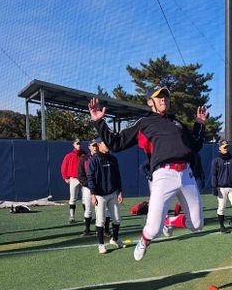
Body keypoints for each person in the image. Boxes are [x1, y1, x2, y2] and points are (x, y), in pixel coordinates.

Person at [87, 85, 208, 261]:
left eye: (166, 95)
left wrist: (200, 124)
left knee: (197, 224)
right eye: (159, 96)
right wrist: (99, 122)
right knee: (153, 230)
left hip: (186, 174)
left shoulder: (177, 122)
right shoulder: (145, 123)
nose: (163, 98)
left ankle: (169, 221)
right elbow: (116, 143)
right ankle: (144, 241)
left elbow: (195, 145)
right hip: (164, 175)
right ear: (150, 102)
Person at [86, 139, 124, 254]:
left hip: (112, 193)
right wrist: (93, 194)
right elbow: (90, 178)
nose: (107, 145)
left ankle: (115, 239)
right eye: (104, 143)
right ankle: (101, 245)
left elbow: (117, 176)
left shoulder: (113, 159)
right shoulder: (94, 160)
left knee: (117, 219)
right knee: (100, 220)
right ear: (99, 145)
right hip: (99, 195)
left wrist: (120, 191)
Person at [211, 140, 232, 233]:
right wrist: (214, 187)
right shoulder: (216, 160)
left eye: (227, 146)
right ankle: (221, 226)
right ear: (219, 148)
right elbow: (213, 175)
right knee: (221, 207)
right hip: (221, 187)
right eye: (224, 147)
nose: (226, 148)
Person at [61, 138, 86, 223]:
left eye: (80, 143)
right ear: (74, 145)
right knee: (72, 198)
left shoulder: (84, 155)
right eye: (77, 143)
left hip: (83, 178)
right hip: (74, 178)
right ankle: (72, 217)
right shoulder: (69, 155)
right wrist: (65, 177)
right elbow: (64, 167)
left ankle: (86, 216)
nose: (79, 145)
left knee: (85, 198)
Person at [77, 139, 98, 236]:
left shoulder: (102, 157)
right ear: (89, 147)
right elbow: (80, 175)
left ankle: (101, 229)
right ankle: (87, 230)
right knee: (88, 209)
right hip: (88, 188)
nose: (95, 147)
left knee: (102, 209)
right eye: (93, 145)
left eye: (96, 145)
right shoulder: (84, 159)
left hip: (100, 188)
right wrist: (88, 184)